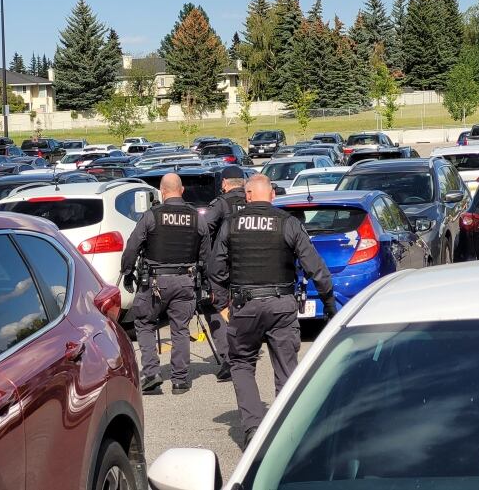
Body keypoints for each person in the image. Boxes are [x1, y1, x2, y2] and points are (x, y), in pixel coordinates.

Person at [210, 174, 335, 448]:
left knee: (241, 364)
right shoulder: (287, 223)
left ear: (248, 196)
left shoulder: (231, 224)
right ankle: (286, 431)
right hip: (281, 305)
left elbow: (215, 268)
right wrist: (329, 304)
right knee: (286, 367)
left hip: (244, 305)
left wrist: (220, 304)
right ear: (273, 196)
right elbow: (315, 267)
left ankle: (254, 429)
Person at [120, 173, 211, 395]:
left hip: (154, 282)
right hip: (185, 280)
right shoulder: (196, 217)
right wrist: (205, 281)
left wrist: (127, 271)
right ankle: (180, 381)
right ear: (182, 190)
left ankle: (151, 374)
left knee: (145, 323)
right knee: (180, 328)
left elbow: (132, 246)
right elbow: (206, 253)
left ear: (161, 191)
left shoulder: (152, 216)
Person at [202, 165, 247, 382]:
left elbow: (204, 229)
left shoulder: (221, 204)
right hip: (248, 266)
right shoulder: (251, 201)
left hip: (223, 266)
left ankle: (228, 357)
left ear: (224, 184)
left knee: (214, 307)